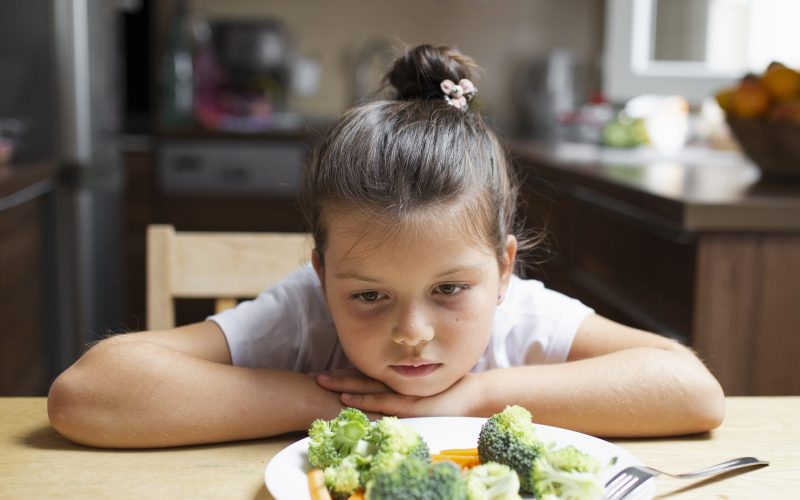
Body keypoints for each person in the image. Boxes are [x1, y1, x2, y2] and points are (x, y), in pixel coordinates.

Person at [48, 44, 724, 449]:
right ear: (320, 274)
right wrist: (336, 404)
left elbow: (692, 391)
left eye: (451, 290)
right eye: (368, 295)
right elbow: (88, 394)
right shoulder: (303, 314)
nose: (411, 333)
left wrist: (469, 399)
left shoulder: (525, 319)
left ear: (504, 269)